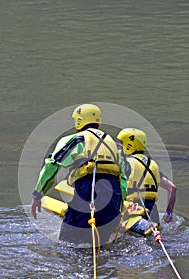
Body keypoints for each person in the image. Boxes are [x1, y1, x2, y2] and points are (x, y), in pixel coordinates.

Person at [31, 104, 127, 246]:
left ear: (79, 121)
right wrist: (118, 207)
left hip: (88, 191)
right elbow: (123, 180)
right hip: (114, 196)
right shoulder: (114, 145)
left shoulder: (78, 139)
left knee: (68, 244)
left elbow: (51, 166)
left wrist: (37, 195)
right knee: (103, 244)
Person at [116, 128, 177, 237]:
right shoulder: (153, 165)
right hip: (153, 214)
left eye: (121, 143)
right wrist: (169, 213)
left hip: (132, 212)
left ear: (130, 145)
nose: (119, 146)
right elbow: (172, 188)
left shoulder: (126, 163)